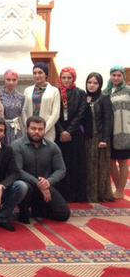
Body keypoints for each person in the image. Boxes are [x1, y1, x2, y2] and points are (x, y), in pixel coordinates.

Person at [12, 116, 70, 223]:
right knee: (25, 186)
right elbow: (17, 171)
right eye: (33, 128)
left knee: (64, 214)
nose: (37, 132)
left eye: (40, 129)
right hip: (23, 187)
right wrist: (38, 183)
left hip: (43, 186)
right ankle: (23, 211)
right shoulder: (17, 146)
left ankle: (37, 210)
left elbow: (61, 169)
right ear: (27, 129)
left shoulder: (52, 146)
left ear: (44, 130)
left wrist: (48, 182)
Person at [54, 67, 88, 202]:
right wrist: (61, 131)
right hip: (59, 133)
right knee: (60, 164)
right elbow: (54, 113)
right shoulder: (55, 92)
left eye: (69, 78)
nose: (66, 80)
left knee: (74, 163)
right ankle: (60, 193)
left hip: (74, 134)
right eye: (64, 78)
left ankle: (74, 195)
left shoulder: (80, 93)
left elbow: (81, 113)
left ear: (74, 78)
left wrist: (69, 131)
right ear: (60, 78)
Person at [84, 72, 114, 202]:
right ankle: (89, 194)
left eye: (95, 83)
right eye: (89, 82)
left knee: (100, 167)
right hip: (87, 138)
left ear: (100, 85)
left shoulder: (104, 98)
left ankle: (100, 194)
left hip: (100, 138)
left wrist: (105, 139)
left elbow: (108, 120)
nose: (91, 85)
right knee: (88, 166)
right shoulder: (84, 97)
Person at [104, 65, 130, 199]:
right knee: (110, 160)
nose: (116, 78)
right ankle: (118, 187)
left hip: (124, 130)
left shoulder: (128, 91)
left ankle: (120, 190)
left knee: (123, 160)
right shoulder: (106, 91)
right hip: (109, 132)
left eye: (119, 75)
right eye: (113, 75)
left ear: (123, 77)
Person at [22, 62, 60, 141]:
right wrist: (28, 127)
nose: (37, 75)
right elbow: (24, 110)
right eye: (34, 73)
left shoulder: (54, 91)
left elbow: (55, 113)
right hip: (30, 132)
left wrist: (43, 130)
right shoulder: (27, 90)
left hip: (47, 131)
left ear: (45, 74)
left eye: (40, 73)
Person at [0, 69, 25, 145]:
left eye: (14, 80)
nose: (11, 82)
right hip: (2, 126)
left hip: (16, 127)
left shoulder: (21, 97)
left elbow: (22, 113)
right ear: (4, 80)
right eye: (8, 79)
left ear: (17, 80)